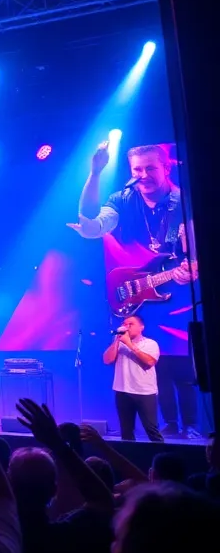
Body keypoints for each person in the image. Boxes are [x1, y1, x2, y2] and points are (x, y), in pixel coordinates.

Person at [70, 142, 199, 436]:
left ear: (166, 168)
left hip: (183, 293)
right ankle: (170, 424)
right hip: (148, 294)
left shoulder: (184, 201)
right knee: (158, 363)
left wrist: (194, 268)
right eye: (137, 169)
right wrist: (95, 173)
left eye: (150, 168)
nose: (143, 175)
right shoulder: (123, 199)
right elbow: (90, 226)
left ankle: (192, 425)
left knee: (183, 363)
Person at [104, 314, 163, 442]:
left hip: (144, 392)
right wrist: (117, 341)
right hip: (123, 391)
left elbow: (149, 362)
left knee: (151, 430)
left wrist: (129, 345)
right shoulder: (119, 343)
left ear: (141, 327)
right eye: (125, 324)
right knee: (126, 431)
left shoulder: (150, 343)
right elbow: (107, 360)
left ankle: (163, 458)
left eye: (131, 324)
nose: (126, 327)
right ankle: (129, 458)